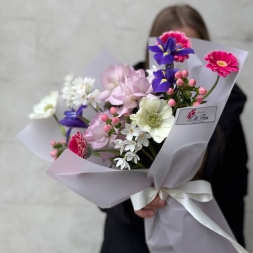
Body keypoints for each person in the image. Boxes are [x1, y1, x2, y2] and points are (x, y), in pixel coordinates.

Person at [99, 4, 249, 252]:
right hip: (132, 240)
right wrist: (129, 204)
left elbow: (234, 191)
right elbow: (100, 180)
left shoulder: (226, 109)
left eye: (194, 51)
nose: (184, 62)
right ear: (155, 52)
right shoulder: (123, 99)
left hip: (198, 240)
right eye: (176, 53)